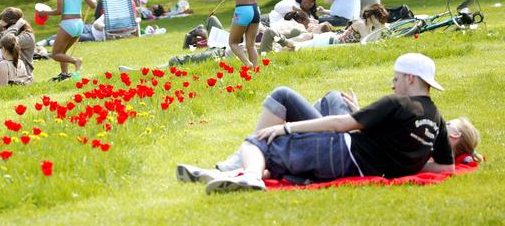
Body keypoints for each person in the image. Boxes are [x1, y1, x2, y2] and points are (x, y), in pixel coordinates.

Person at [177, 53, 459, 193]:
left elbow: (340, 126)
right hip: (362, 157)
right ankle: (237, 170)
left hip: (344, 153)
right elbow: (446, 167)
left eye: (396, 78)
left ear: (411, 78)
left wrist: (286, 127)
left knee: (261, 140)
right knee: (332, 98)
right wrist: (410, 158)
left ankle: (246, 173)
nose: (393, 84)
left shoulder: (397, 103)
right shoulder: (436, 119)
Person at [36, 0, 97, 81]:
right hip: (79, 25)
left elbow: (59, 11)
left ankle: (76, 61)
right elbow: (93, 5)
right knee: (63, 52)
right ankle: (64, 74)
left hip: (68, 24)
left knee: (55, 54)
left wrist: (44, 12)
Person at [286, 4, 388, 50]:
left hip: (332, 40)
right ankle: (278, 45)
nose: (380, 21)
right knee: (297, 47)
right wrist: (380, 28)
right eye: (379, 19)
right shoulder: (361, 24)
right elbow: (366, 43)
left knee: (297, 47)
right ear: (373, 16)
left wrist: (380, 28)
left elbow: (372, 42)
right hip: (329, 41)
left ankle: (279, 46)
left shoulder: (368, 26)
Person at [0, 7, 36, 74]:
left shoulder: (27, 37)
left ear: (14, 25)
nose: (4, 29)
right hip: (8, 72)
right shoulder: (8, 34)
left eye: (6, 27)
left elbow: (7, 41)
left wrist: (14, 27)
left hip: (22, 75)